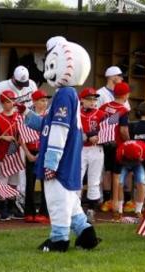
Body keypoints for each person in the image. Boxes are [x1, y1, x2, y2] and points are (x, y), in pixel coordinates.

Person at [28, 37, 99, 252]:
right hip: (68, 158)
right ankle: (87, 235)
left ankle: (59, 240)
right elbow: (51, 126)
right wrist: (28, 117)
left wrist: (51, 163)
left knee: (58, 200)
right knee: (70, 202)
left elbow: (59, 131)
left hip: (61, 160)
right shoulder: (66, 94)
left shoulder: (64, 95)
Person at [98, 82, 130, 220]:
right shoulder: (123, 110)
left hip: (104, 144)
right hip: (117, 145)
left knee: (107, 171)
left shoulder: (105, 106)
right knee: (117, 174)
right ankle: (118, 202)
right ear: (126, 95)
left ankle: (106, 201)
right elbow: (123, 130)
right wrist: (129, 141)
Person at [0, 90, 25, 221]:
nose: (10, 103)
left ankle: (12, 207)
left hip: (16, 154)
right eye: (7, 101)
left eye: (12, 100)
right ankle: (3, 208)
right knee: (2, 182)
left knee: (14, 183)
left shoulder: (18, 116)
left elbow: (24, 132)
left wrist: (20, 138)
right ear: (2, 103)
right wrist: (3, 137)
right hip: (3, 154)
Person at [23, 89, 51, 223]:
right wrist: (27, 153)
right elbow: (21, 136)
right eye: (42, 100)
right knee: (30, 183)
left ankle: (44, 212)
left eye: (46, 100)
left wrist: (41, 153)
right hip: (30, 152)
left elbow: (50, 136)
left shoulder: (49, 115)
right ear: (34, 101)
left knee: (46, 182)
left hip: (44, 152)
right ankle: (29, 212)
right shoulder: (27, 114)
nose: (45, 103)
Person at [79, 87, 106, 222]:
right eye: (89, 99)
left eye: (94, 99)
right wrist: (88, 136)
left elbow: (108, 132)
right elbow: (75, 132)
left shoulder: (101, 114)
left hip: (96, 149)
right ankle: (76, 209)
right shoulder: (76, 114)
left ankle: (91, 211)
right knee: (77, 179)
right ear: (82, 100)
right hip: (80, 149)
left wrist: (98, 137)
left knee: (94, 181)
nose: (92, 101)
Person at [116, 140, 145, 217]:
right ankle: (119, 210)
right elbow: (118, 163)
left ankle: (138, 210)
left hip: (138, 164)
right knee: (119, 183)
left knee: (141, 183)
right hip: (124, 163)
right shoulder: (120, 151)